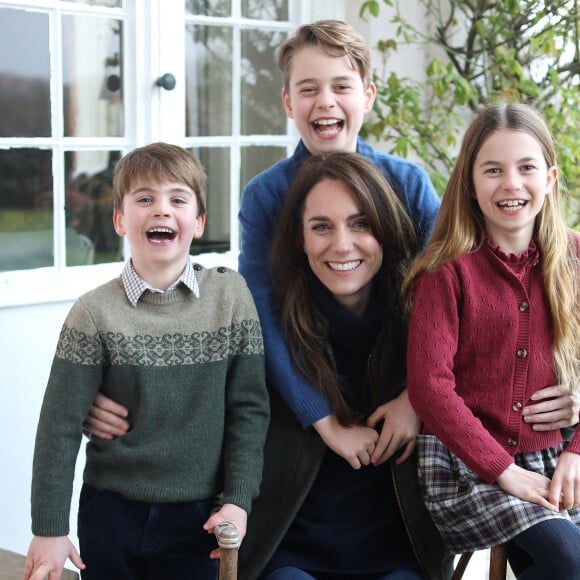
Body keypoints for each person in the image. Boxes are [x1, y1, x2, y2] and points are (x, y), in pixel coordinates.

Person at [24, 143, 270, 580]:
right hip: (109, 511)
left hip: (200, 517)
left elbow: (248, 411)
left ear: (198, 222)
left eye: (178, 199)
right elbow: (59, 426)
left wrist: (238, 499)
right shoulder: (93, 312)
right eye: (144, 199)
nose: (161, 210)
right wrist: (49, 528)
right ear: (120, 220)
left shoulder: (230, 297)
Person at [243, 151, 451, 579]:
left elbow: (502, 369)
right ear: (300, 240)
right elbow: (202, 391)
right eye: (321, 227)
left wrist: (571, 398)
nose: (342, 244)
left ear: (387, 231)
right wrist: (102, 396)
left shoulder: (423, 329)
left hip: (398, 550)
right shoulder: (272, 332)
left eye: (361, 224)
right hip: (292, 552)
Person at [404, 103, 580, 578]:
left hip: (552, 457)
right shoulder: (447, 271)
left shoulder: (575, 258)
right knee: (569, 557)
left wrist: (576, 451)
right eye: (493, 170)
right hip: (464, 470)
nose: (511, 184)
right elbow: (429, 388)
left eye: (526, 168)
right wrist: (504, 469)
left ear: (550, 177)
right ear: (470, 181)